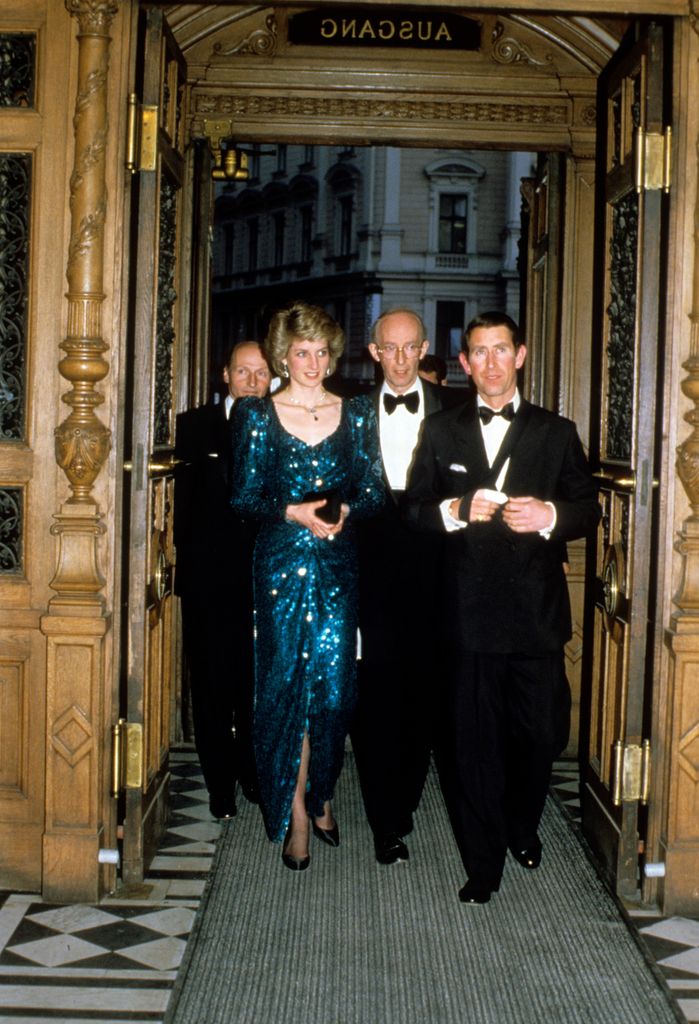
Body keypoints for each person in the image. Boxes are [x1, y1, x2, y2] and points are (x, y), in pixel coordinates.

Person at [405, 311, 600, 904]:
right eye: (478, 353)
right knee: (473, 745)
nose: (490, 363)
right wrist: (454, 510)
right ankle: (482, 863)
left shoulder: (555, 431)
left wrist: (550, 519)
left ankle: (521, 823)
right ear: (464, 364)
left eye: (500, 351)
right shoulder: (441, 431)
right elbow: (413, 510)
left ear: (519, 356)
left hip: (536, 614)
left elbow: (587, 508)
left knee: (541, 734)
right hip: (466, 615)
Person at [230, 301, 384, 871]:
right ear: (282, 356)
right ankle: (296, 813)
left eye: (321, 351)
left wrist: (345, 510)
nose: (313, 362)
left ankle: (321, 789)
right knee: (285, 685)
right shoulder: (256, 415)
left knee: (335, 689)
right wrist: (293, 512)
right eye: (301, 352)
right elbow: (242, 498)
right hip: (279, 564)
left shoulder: (358, 413)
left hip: (338, 563)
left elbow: (374, 490)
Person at [352, 308, 460, 866]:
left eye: (408, 348)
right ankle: (384, 819)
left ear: (423, 350)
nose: (398, 359)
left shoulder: (454, 413)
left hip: (433, 573)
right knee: (374, 696)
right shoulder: (348, 414)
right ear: (374, 353)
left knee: (423, 695)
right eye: (387, 349)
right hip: (366, 572)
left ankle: (405, 801)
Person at [174, 341, 271, 820]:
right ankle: (219, 785)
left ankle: (252, 772)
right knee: (212, 686)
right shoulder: (193, 427)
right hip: (209, 583)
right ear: (225, 375)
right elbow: (182, 512)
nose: (252, 382)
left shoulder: (282, 426)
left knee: (255, 684)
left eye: (261, 373)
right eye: (243, 372)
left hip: (264, 580)